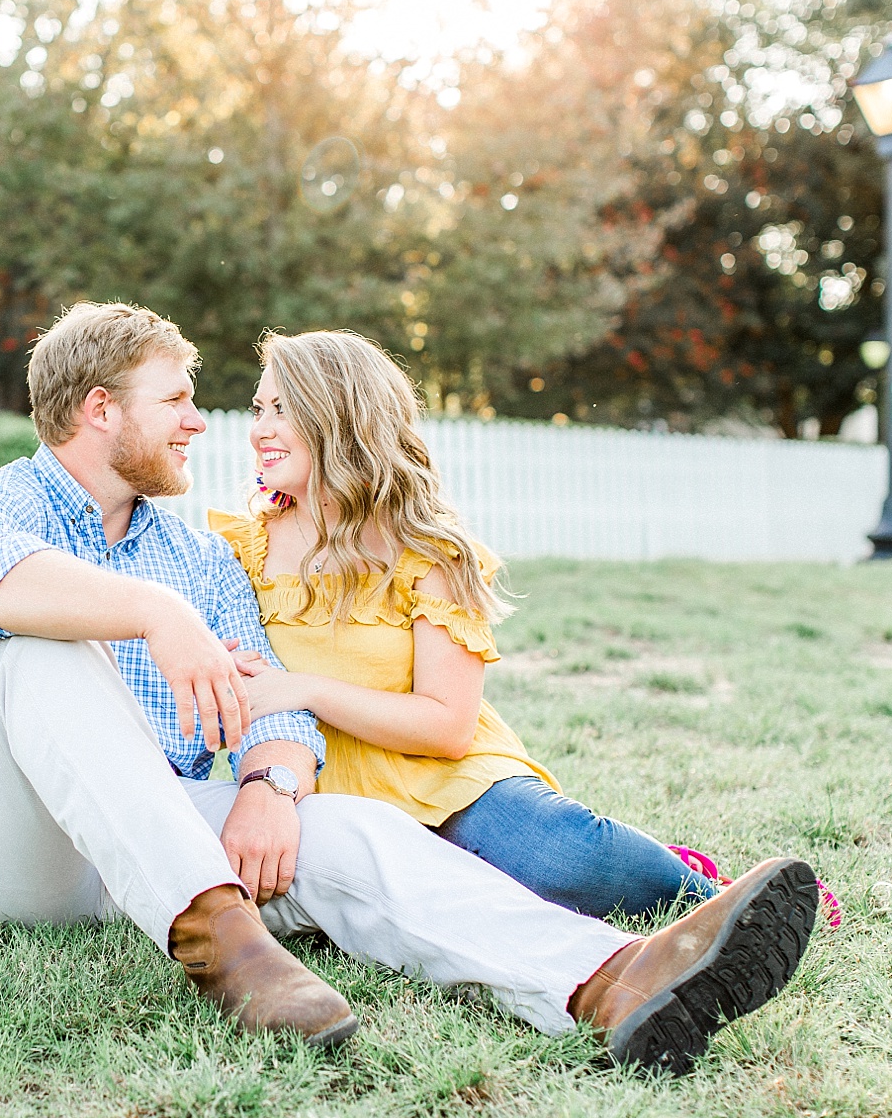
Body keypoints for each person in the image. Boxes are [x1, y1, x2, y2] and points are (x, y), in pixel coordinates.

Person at [0, 300, 818, 1075]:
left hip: (135, 858)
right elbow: (15, 589)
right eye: (177, 399)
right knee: (40, 652)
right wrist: (152, 614)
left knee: (353, 827)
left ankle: (611, 980)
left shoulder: (199, 557)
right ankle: (226, 942)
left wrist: (272, 785)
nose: (200, 421)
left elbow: (278, 702)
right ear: (100, 410)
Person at [212, 329, 722, 920]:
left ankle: (708, 894)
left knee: (562, 862)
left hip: (449, 784)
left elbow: (449, 727)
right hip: (318, 791)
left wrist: (305, 689)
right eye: (258, 409)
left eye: (282, 409)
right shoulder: (240, 549)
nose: (260, 429)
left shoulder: (429, 553)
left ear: (341, 420)